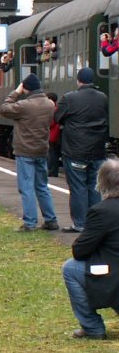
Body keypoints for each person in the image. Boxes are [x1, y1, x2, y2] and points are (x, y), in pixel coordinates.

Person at [61, 159, 119, 339]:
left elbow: (80, 251)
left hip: (113, 275)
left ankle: (93, 327)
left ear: (101, 182)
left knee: (70, 268)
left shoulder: (102, 211)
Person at [0, 73, 59, 232]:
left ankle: (30, 222)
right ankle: (51, 219)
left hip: (25, 150)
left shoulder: (24, 105)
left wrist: (16, 92)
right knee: (42, 186)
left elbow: (4, 109)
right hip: (42, 149)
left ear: (26, 88)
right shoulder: (49, 104)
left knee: (26, 187)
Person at [56, 66, 109, 232]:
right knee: (95, 186)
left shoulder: (69, 98)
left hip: (75, 150)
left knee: (78, 186)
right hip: (97, 149)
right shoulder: (103, 97)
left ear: (78, 80)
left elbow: (58, 118)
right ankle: (96, 223)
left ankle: (80, 223)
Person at [47, 92, 62, 177]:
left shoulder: (53, 109)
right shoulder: (57, 108)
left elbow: (51, 123)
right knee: (54, 154)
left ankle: (52, 171)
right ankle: (53, 171)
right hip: (56, 134)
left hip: (53, 134)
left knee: (52, 154)